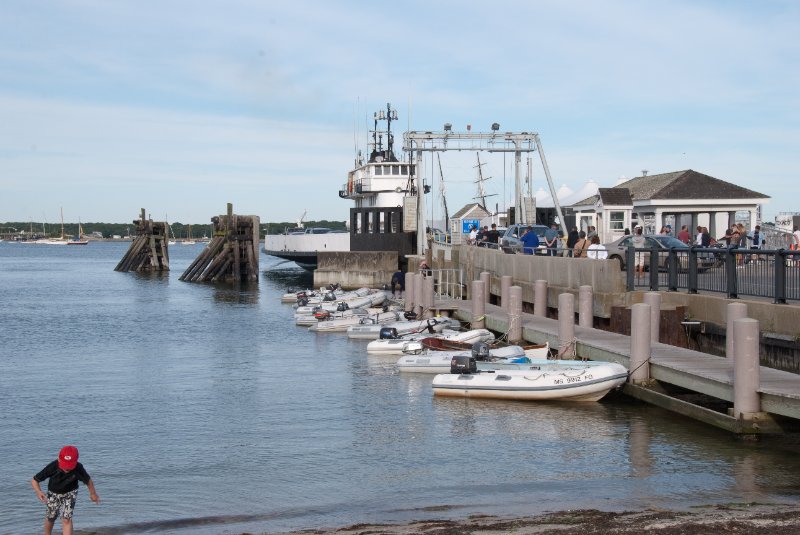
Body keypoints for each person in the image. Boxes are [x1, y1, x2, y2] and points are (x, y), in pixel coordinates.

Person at [32, 445, 100, 535]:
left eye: (69, 466)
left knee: (66, 519)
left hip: (70, 493)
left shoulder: (78, 468)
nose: (67, 468)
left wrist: (93, 494)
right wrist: (38, 491)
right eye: (65, 465)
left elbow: (88, 481)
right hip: (53, 494)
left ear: (76, 462)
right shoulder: (53, 466)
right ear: (59, 459)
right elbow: (34, 480)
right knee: (51, 517)